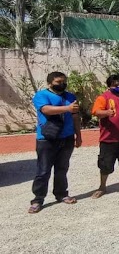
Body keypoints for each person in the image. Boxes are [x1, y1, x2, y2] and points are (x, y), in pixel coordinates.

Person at [28, 72, 82, 213]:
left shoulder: (70, 97)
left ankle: (61, 194)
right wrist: (67, 108)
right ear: (50, 83)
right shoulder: (41, 95)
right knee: (43, 171)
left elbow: (76, 117)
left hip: (67, 137)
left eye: (64, 81)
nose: (62, 84)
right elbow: (46, 109)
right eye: (59, 82)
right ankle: (38, 199)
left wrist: (79, 135)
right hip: (47, 139)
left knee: (62, 169)